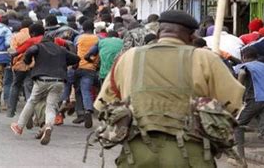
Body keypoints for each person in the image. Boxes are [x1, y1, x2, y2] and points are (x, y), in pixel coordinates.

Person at [98, 10, 245, 167]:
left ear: (159, 32)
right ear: (192, 36)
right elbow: (233, 104)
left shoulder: (129, 56)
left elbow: (103, 104)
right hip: (191, 154)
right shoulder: (205, 57)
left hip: (137, 153)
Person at [10, 23, 80, 145]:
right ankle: (48, 126)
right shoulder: (61, 49)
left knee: (32, 101)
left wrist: (27, 60)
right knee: (51, 106)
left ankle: (19, 126)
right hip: (59, 81)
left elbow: (31, 50)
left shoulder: (39, 46)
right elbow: (76, 58)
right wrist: (66, 62)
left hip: (42, 80)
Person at [235, 46, 264, 157]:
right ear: (257, 56)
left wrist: (238, 88)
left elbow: (242, 73)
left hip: (255, 99)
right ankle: (263, 132)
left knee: (237, 125)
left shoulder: (245, 66)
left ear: (244, 57)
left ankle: (240, 159)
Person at [72, 20, 99, 128]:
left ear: (83, 29)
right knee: (86, 90)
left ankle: (80, 113)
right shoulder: (98, 39)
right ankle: (88, 110)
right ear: (93, 28)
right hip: (91, 68)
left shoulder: (78, 38)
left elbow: (74, 52)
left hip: (78, 67)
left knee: (78, 91)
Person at [7, 18, 34, 118]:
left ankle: (11, 110)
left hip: (18, 65)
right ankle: (29, 112)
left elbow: (12, 51)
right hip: (32, 64)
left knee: (15, 86)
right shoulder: (34, 36)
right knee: (29, 87)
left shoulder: (16, 36)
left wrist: (12, 63)